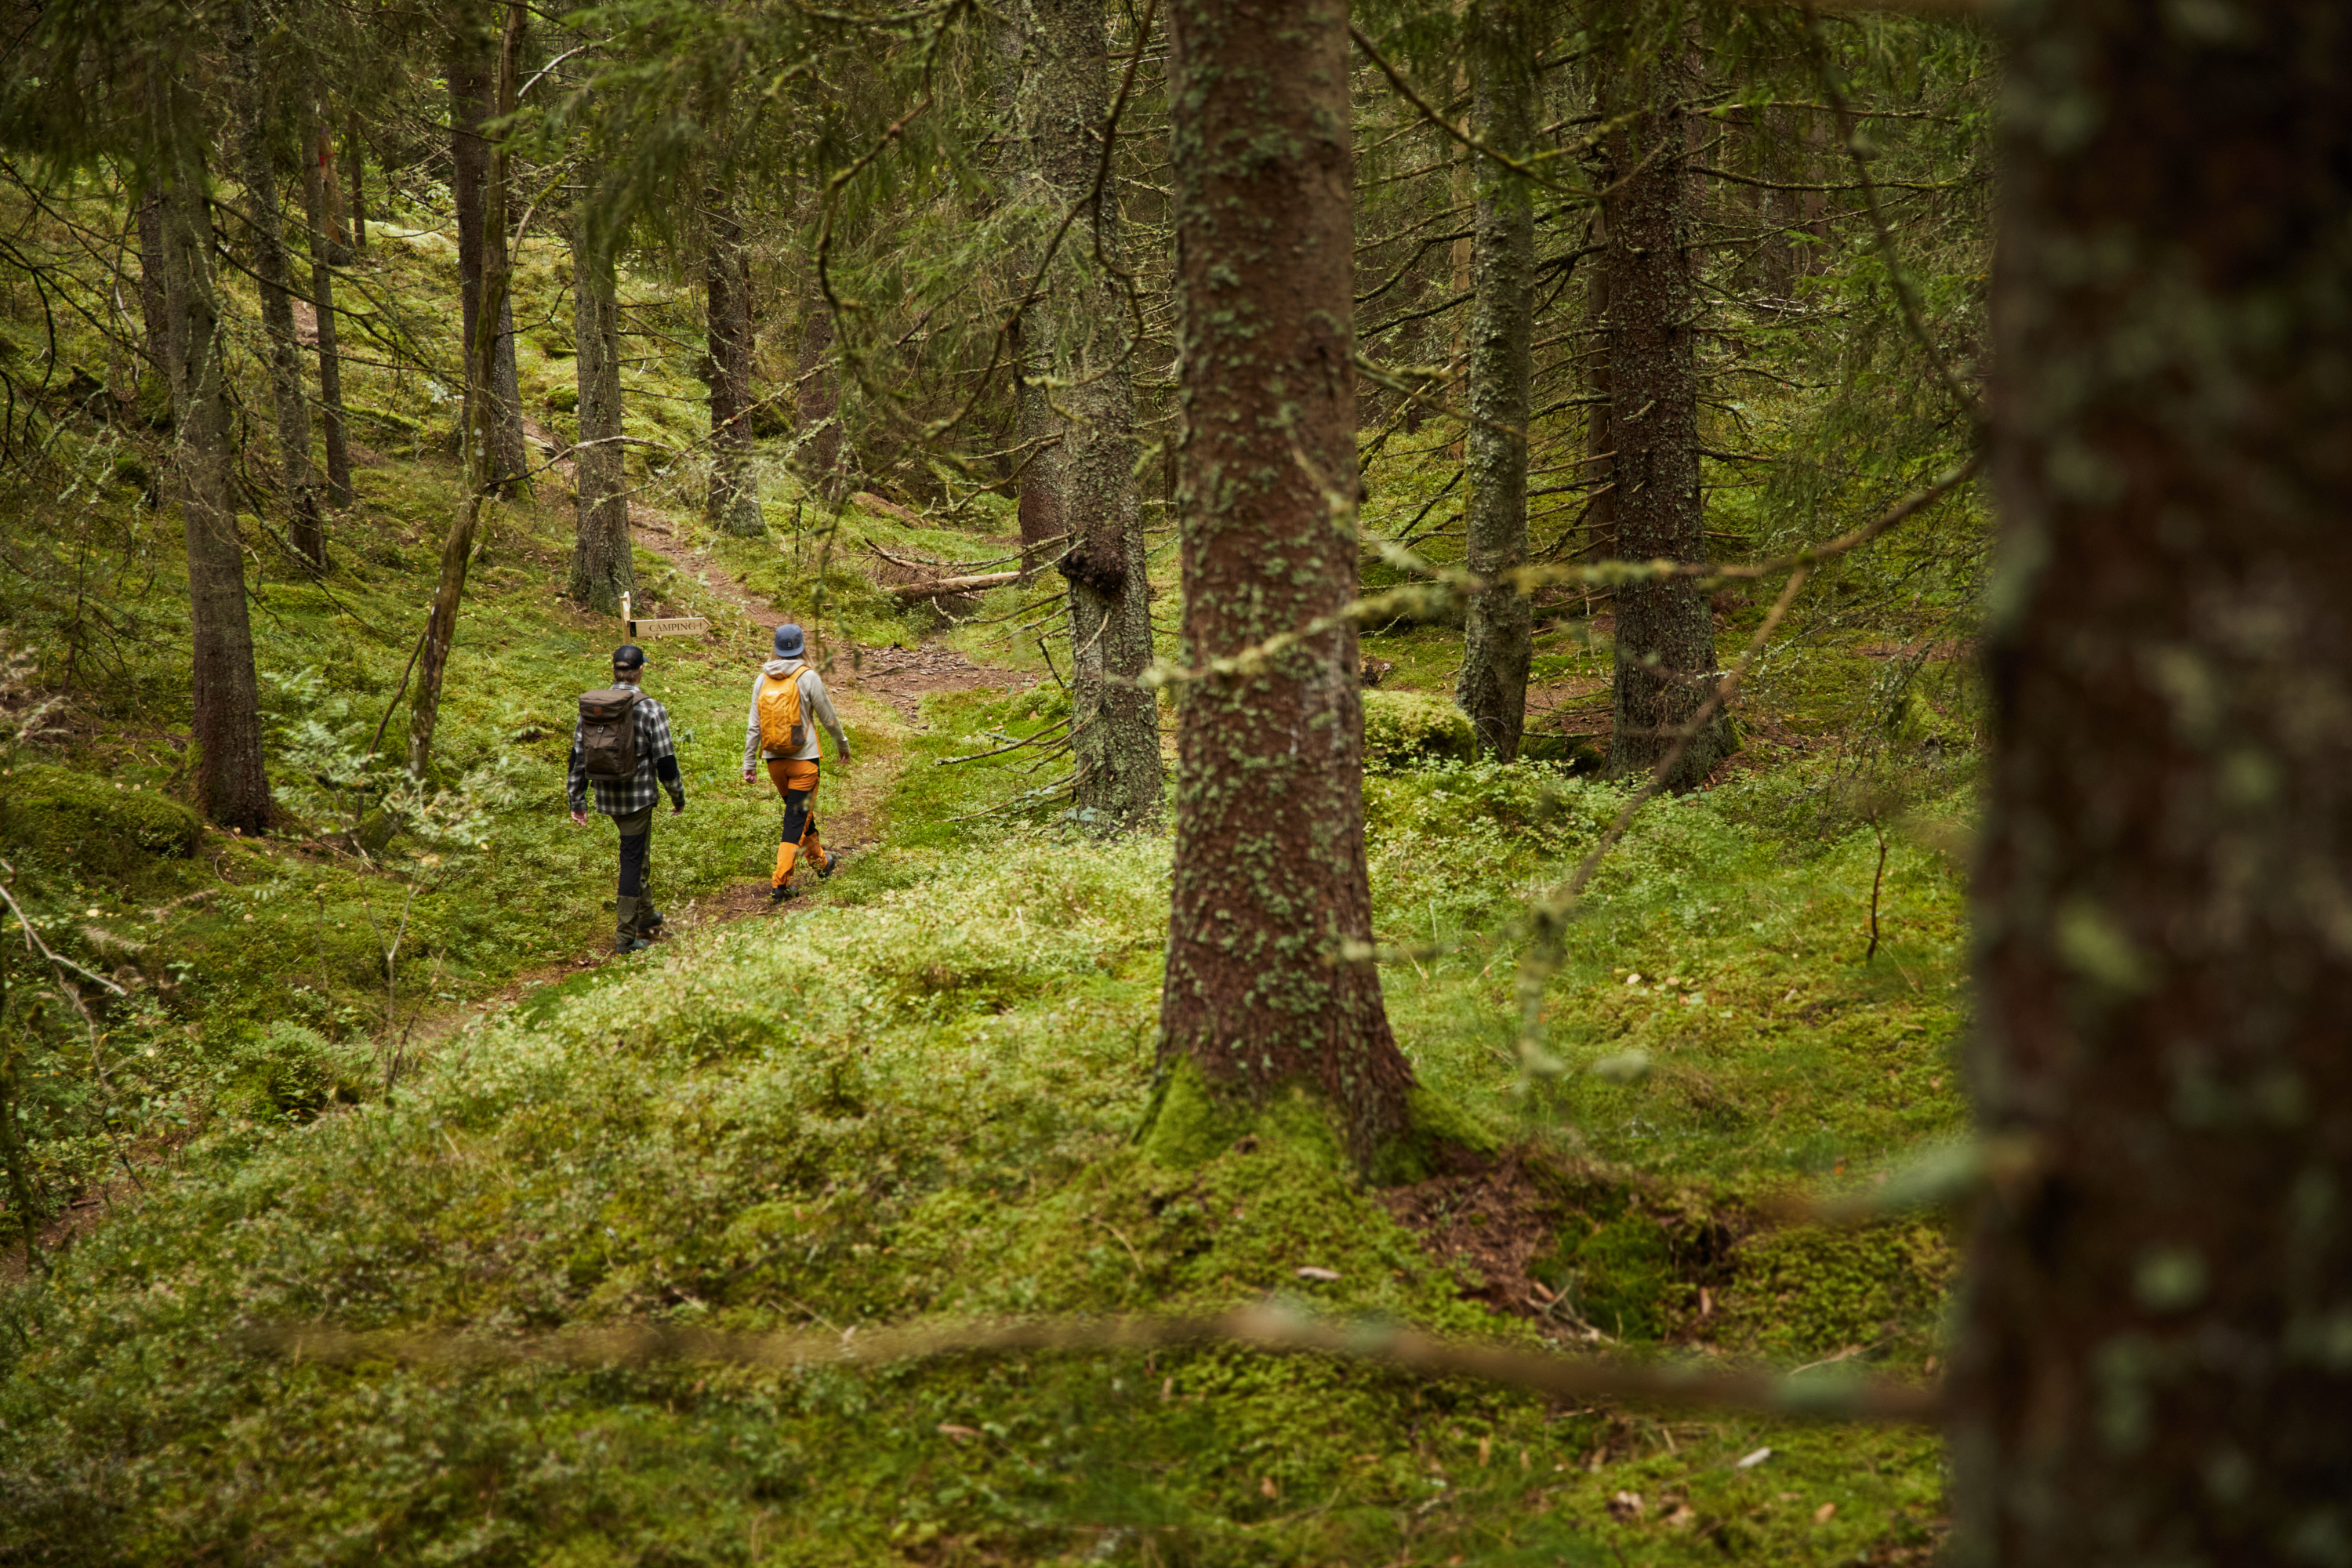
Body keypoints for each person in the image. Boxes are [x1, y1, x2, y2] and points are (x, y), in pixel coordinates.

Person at [568, 644, 685, 953]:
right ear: (640, 670)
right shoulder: (650, 708)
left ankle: (647, 916)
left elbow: (577, 756)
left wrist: (576, 799)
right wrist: (678, 797)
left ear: (614, 670)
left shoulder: (593, 707)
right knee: (633, 861)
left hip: (607, 796)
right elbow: (666, 762)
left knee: (638, 851)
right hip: (638, 799)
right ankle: (625, 938)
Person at [742, 623, 851, 902]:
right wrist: (842, 743)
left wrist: (749, 763)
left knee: (801, 817)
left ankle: (822, 864)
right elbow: (827, 716)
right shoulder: (808, 676)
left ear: (776, 648)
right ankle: (780, 884)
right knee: (794, 822)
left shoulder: (762, 679)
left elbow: (754, 727)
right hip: (804, 763)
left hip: (775, 764)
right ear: (802, 647)